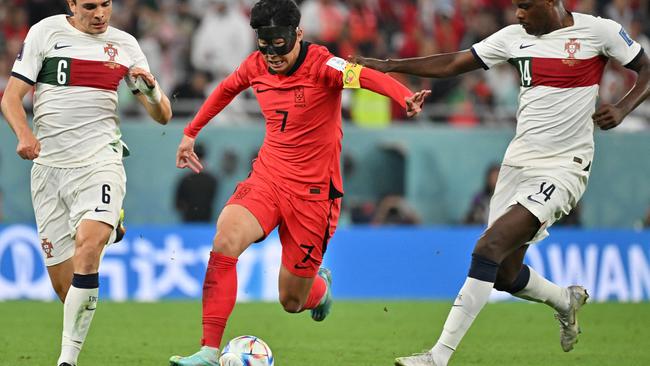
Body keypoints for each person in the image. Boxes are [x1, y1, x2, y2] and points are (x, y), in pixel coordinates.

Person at [353, 1, 650, 365]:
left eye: (525, 7)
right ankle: (564, 299)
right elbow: (452, 63)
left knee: (487, 249)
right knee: (505, 274)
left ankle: (437, 357)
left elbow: (646, 69)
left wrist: (622, 107)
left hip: (563, 167)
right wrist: (389, 67)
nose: (518, 15)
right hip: (517, 163)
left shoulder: (598, 31)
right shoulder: (513, 38)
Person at [169, 0, 429, 365]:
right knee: (225, 238)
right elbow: (226, 89)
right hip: (269, 177)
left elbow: (366, 76)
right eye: (265, 43)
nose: (272, 53)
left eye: (280, 43)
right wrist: (190, 133)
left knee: (291, 301)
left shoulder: (324, 65)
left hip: (314, 195)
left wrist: (402, 96)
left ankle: (319, 291)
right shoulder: (256, 64)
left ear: (298, 35)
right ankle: (210, 351)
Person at [0, 0, 172, 365]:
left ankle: (67, 361)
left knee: (89, 247)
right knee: (67, 289)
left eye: (106, 5)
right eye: (90, 6)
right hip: (48, 169)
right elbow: (10, 99)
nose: (100, 14)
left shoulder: (125, 44)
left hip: (99, 161)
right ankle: (111, 223)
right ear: (72, 4)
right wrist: (24, 134)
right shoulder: (45, 32)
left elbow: (163, 116)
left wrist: (153, 92)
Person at [175, 142, 219, 222]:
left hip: (189, 221)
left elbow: (178, 204)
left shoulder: (185, 180)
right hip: (206, 221)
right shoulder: (212, 180)